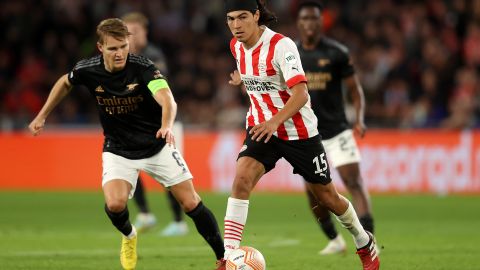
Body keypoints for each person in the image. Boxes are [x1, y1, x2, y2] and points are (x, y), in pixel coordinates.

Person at [28, 18, 224, 270]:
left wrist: (166, 125)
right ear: (100, 48)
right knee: (115, 204)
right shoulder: (87, 69)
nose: (119, 53)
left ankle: (223, 258)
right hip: (118, 149)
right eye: (113, 48)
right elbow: (65, 82)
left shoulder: (143, 67)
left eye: (123, 46)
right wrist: (42, 115)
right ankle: (130, 235)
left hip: (157, 145)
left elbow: (167, 99)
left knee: (191, 203)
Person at [219, 1, 380, 269]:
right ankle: (228, 257)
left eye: (242, 17)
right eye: (230, 19)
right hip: (261, 128)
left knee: (327, 197)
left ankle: (364, 242)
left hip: (299, 132)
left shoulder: (282, 46)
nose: (235, 25)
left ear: (256, 16)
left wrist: (274, 122)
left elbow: (301, 93)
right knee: (241, 181)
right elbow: (261, 84)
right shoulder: (236, 47)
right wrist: (243, 82)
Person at [296, 0, 378, 255]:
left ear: (321, 22)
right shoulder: (291, 54)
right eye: (305, 19)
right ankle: (334, 239)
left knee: (353, 181)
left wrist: (360, 118)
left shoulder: (337, 53)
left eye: (314, 19)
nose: (309, 23)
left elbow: (355, 90)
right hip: (308, 134)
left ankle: (369, 238)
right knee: (313, 193)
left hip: (338, 130)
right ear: (299, 24)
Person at [122, 12, 188, 236]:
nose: (130, 38)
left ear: (145, 32)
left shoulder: (153, 56)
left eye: (135, 32)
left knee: (171, 176)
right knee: (130, 166)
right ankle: (145, 214)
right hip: (139, 124)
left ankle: (179, 222)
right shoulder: (125, 59)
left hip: (165, 123)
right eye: (126, 33)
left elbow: (159, 90)